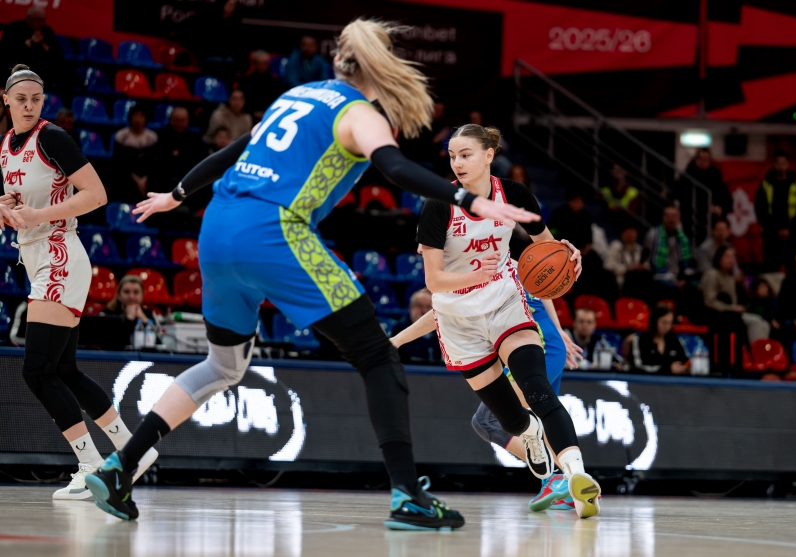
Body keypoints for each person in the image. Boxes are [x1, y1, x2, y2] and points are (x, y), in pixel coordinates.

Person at [86, 19, 542, 529]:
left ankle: (120, 466)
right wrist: (468, 199)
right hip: (271, 231)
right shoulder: (358, 112)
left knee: (222, 366)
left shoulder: (295, 95)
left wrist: (177, 194)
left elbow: (232, 153)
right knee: (379, 357)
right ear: (381, 67)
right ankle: (409, 497)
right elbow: (395, 169)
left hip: (216, 227)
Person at [414, 122, 600, 519]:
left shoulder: (515, 196)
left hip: (506, 309)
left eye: (466, 154)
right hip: (462, 323)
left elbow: (545, 249)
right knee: (502, 420)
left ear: (488, 156)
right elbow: (433, 282)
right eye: (452, 156)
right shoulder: (438, 204)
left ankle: (576, 476)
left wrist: (567, 253)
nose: (457, 162)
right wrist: (474, 276)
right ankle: (534, 442)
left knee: (538, 391)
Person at [0, 65, 157, 501]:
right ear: (5, 100)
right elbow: (21, 202)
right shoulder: (7, 146)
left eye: (36, 99)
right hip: (39, 257)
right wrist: (6, 206)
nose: (29, 106)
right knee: (64, 370)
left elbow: (96, 195)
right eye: (21, 99)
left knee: (37, 371)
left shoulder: (53, 138)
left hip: (59, 256)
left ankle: (91, 467)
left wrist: (37, 214)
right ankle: (133, 451)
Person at [391, 278, 586, 513]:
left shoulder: (477, 269)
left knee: (487, 420)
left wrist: (397, 340)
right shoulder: (508, 263)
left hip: (536, 341)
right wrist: (558, 329)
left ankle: (558, 478)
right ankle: (572, 483)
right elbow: (541, 285)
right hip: (544, 339)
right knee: (543, 418)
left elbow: (441, 313)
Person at [700, 246, 769, 371]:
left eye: (733, 257)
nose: (731, 259)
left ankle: (759, 357)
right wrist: (732, 308)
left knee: (763, 323)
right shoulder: (712, 274)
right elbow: (709, 301)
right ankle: (756, 357)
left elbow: (737, 301)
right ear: (719, 258)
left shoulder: (730, 277)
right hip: (715, 315)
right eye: (727, 256)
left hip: (731, 314)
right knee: (756, 323)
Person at [754, 150, 796, 272]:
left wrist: (790, 229)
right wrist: (776, 229)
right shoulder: (765, 186)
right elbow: (760, 211)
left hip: (793, 236)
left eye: (784, 163)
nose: (781, 166)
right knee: (770, 269)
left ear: (788, 164)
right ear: (773, 164)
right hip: (771, 236)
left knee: (793, 269)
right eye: (778, 163)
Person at [677, 148, 733, 243]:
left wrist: (721, 208)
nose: (703, 162)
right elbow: (685, 199)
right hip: (692, 221)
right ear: (696, 159)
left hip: (712, 222)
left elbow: (727, 199)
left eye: (706, 159)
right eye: (701, 159)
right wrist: (707, 208)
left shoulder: (716, 177)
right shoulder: (687, 178)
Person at [0, 7, 63, 88]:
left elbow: (57, 54)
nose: (40, 23)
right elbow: (7, 53)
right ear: (28, 18)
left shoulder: (47, 31)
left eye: (43, 20)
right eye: (37, 20)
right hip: (16, 70)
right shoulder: (13, 28)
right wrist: (29, 42)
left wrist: (43, 44)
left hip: (40, 72)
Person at [152, 107, 207, 194]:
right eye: (176, 120)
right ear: (171, 120)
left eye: (182, 120)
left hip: (187, 183)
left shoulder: (195, 140)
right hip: (164, 181)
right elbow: (156, 161)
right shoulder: (161, 136)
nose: (179, 123)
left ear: (188, 120)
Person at [628, 305, 689, 374]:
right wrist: (667, 369)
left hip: (674, 381)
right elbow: (637, 367)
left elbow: (685, 362)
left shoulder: (676, 342)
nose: (667, 326)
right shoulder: (640, 341)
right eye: (664, 322)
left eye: (670, 323)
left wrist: (688, 367)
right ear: (654, 321)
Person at [114, 107, 158, 203]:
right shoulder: (121, 136)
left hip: (146, 177)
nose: (138, 119)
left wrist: (144, 178)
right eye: (135, 116)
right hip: (127, 176)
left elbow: (153, 162)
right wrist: (136, 180)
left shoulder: (152, 137)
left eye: (141, 116)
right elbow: (119, 162)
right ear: (130, 117)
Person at [391, 288, 442, 364]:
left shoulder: (440, 328)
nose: (424, 310)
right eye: (419, 306)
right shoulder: (400, 327)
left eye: (428, 306)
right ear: (411, 307)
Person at [238, 50, 285, 121]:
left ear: (268, 64)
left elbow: (277, 102)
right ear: (254, 64)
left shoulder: (276, 83)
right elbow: (243, 101)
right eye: (258, 63)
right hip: (249, 116)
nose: (261, 66)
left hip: (269, 116)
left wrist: (265, 112)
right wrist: (253, 112)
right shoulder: (246, 81)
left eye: (264, 63)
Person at [547, 187, 593, 255]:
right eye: (576, 200)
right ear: (570, 201)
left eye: (581, 201)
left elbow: (589, 241)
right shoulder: (558, 214)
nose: (579, 203)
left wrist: (581, 252)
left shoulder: (586, 217)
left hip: (581, 252)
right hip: (560, 250)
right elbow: (551, 233)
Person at [605, 222, 645, 289]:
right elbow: (608, 266)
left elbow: (647, 266)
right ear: (622, 233)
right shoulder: (615, 246)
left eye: (632, 232)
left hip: (638, 281)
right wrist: (629, 268)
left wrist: (642, 267)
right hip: (619, 280)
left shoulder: (639, 249)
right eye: (628, 231)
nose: (630, 234)